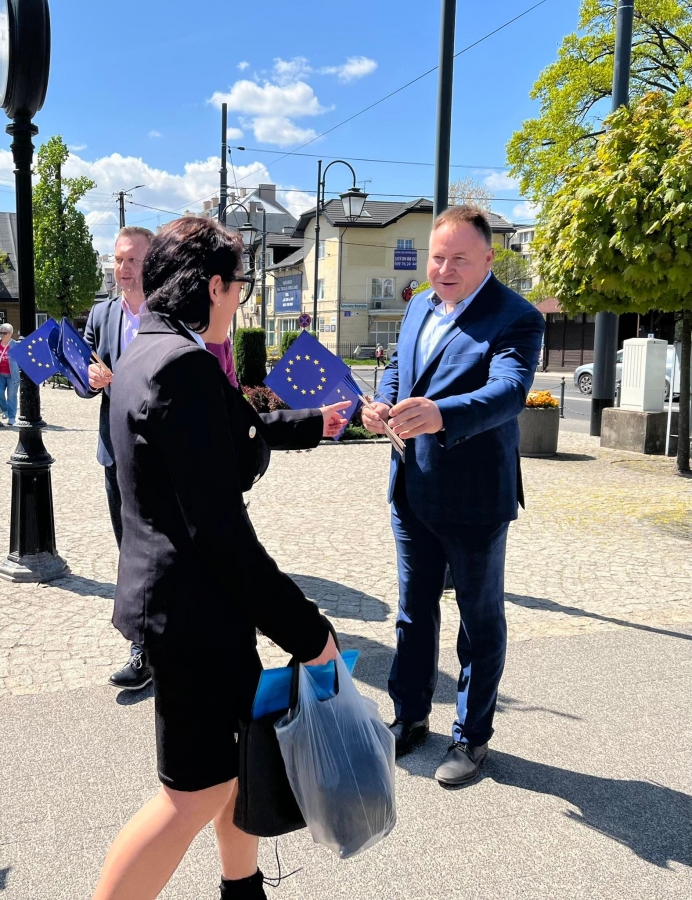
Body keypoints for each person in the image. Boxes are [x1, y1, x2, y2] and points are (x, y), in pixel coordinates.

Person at [92, 217, 340, 900]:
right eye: (240, 287)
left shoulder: (150, 348)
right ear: (212, 286)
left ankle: (243, 888)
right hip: (193, 611)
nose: (240, 300)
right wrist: (309, 632)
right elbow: (222, 536)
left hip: (188, 605)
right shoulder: (184, 365)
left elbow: (231, 433)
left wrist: (317, 423)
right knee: (190, 795)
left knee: (237, 764)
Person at [362, 205, 544, 787]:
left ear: (489, 259)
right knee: (413, 613)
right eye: (438, 257)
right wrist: (382, 403)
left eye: (459, 259)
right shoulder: (419, 304)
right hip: (411, 486)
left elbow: (510, 392)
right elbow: (399, 369)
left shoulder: (515, 316)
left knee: (478, 620)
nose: (444, 270)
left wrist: (442, 414)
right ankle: (410, 717)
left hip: (474, 498)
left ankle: (471, 737)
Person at [78, 226, 157, 690]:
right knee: (129, 551)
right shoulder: (102, 313)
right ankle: (141, 646)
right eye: (118, 259)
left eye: (132, 260)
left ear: (152, 263)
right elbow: (82, 375)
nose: (122, 269)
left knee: (166, 548)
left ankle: (175, 636)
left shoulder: (170, 311)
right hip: (116, 450)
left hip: (163, 453)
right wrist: (88, 376)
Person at [0, 322, 20, 426]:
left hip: (12, 375)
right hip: (1, 374)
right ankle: (5, 410)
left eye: (4, 333)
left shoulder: (15, 345)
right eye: (0, 332)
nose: (2, 335)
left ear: (10, 334)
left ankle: (12, 417)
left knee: (12, 396)